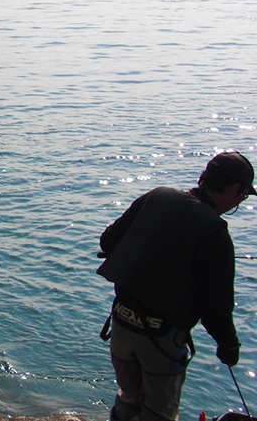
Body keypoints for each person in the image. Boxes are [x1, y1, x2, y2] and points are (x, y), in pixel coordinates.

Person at [97, 151, 256, 421]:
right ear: (231, 189)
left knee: (128, 399)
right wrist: (229, 347)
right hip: (161, 339)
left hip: (121, 326)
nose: (240, 200)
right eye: (242, 196)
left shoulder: (158, 196)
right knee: (158, 413)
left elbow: (108, 241)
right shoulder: (215, 233)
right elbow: (216, 307)